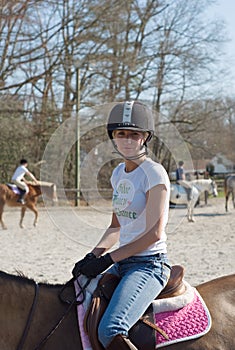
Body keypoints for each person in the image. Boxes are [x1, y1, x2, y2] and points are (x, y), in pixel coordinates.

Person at [72, 101, 172, 350]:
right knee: (79, 308)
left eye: (134, 134)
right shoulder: (118, 173)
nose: (127, 140)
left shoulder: (154, 173)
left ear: (145, 137)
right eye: (121, 134)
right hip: (121, 264)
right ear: (113, 138)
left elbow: (153, 233)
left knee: (110, 330)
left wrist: (107, 260)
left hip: (149, 264)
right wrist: (93, 255)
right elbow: (116, 226)